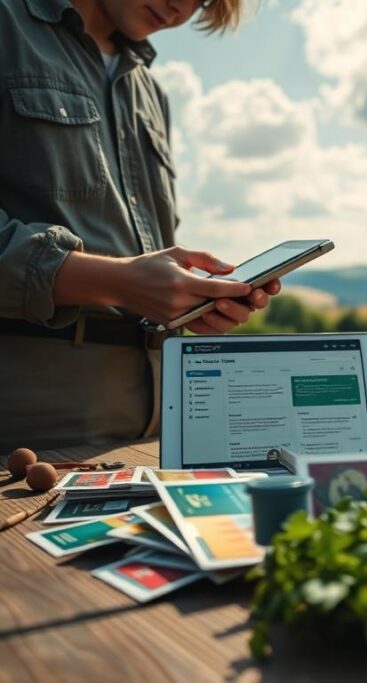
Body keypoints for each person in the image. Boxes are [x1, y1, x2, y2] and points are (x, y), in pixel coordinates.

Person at [0, 0, 281, 453]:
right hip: (27, 428)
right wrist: (118, 283)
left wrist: (188, 301)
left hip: (157, 422)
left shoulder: (150, 92)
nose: (181, 7)